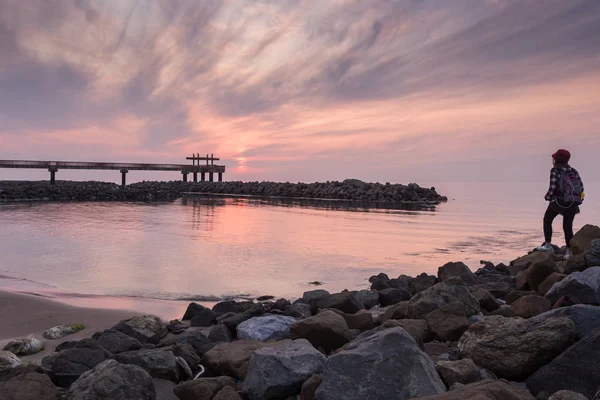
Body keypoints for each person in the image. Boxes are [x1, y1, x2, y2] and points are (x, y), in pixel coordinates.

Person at [536, 149, 584, 258]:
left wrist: (547, 197)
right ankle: (569, 251)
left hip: (559, 202)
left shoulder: (555, 170)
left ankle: (548, 245)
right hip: (572, 202)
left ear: (556, 159)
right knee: (567, 226)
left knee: (547, 219)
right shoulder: (573, 171)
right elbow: (581, 187)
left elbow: (552, 188)